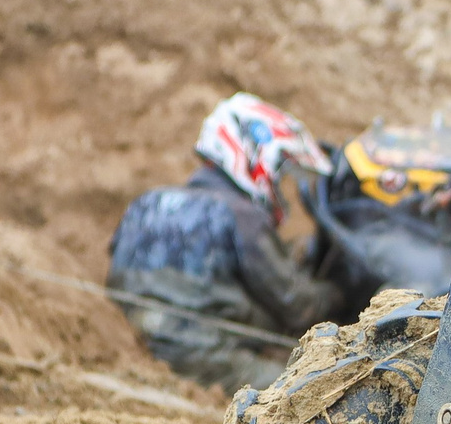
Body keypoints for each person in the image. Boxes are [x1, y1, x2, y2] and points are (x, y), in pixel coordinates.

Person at [107, 93, 342, 392]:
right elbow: (297, 305)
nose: (281, 187)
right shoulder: (241, 216)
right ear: (254, 156)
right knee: (317, 388)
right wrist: (338, 293)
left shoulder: (145, 204)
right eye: (280, 173)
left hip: (131, 346)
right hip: (203, 357)